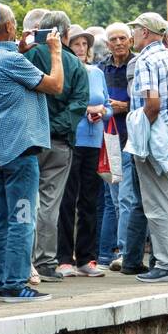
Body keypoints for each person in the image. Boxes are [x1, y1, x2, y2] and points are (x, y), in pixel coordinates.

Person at [0, 4, 63, 302]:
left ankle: (0, 281)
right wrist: (55, 51)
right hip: (21, 151)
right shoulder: (13, 61)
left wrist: (21, 49)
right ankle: (15, 283)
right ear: (10, 27)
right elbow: (55, 85)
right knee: (22, 218)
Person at [23, 11, 90, 282]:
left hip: (28, 140)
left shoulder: (27, 58)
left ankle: (23, 262)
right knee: (50, 204)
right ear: (66, 35)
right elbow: (78, 105)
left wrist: (40, 124)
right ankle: (46, 261)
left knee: (25, 201)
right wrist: (54, 126)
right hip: (60, 143)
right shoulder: (75, 65)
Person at [127, 13, 168, 283]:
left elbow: (152, 104)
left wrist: (140, 128)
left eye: (135, 30)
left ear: (145, 32)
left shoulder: (145, 61)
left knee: (156, 200)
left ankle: (166, 264)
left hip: (158, 131)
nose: (133, 35)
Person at [56, 26, 109, 276]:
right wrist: (87, 109)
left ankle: (87, 258)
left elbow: (107, 105)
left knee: (89, 200)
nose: (81, 48)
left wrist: (101, 111)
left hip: (93, 141)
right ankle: (64, 258)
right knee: (67, 199)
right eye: (76, 44)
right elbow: (65, 102)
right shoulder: (64, 71)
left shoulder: (97, 72)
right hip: (72, 138)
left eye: (84, 45)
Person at [100, 22, 137, 271]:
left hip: (132, 138)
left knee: (127, 198)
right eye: (113, 39)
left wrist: (126, 106)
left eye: (122, 38)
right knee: (114, 200)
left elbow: (147, 99)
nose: (118, 43)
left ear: (131, 40)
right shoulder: (100, 68)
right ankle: (111, 252)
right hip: (109, 138)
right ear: (107, 44)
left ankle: (125, 250)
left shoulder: (138, 64)